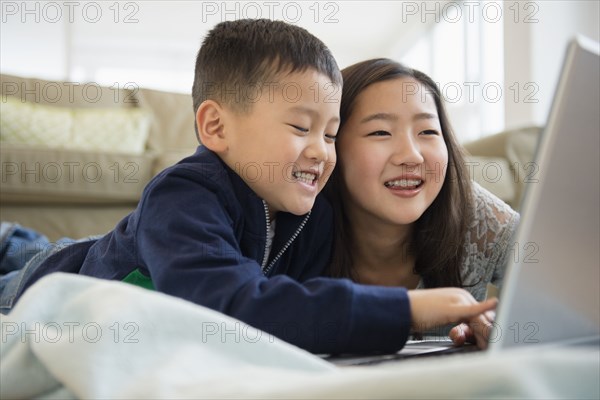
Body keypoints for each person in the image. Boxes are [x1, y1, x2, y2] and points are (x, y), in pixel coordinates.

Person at [0, 20, 497, 354]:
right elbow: (230, 305)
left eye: (330, 133)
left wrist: (436, 333)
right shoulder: (185, 195)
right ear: (215, 128)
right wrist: (404, 312)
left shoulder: (310, 214)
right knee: (30, 260)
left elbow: (300, 313)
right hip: (55, 282)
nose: (323, 151)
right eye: (301, 128)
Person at [324, 58, 520, 345]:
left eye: (427, 131)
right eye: (380, 132)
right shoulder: (293, 224)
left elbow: (566, 304)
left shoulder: (484, 219)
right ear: (331, 144)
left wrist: (505, 325)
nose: (412, 155)